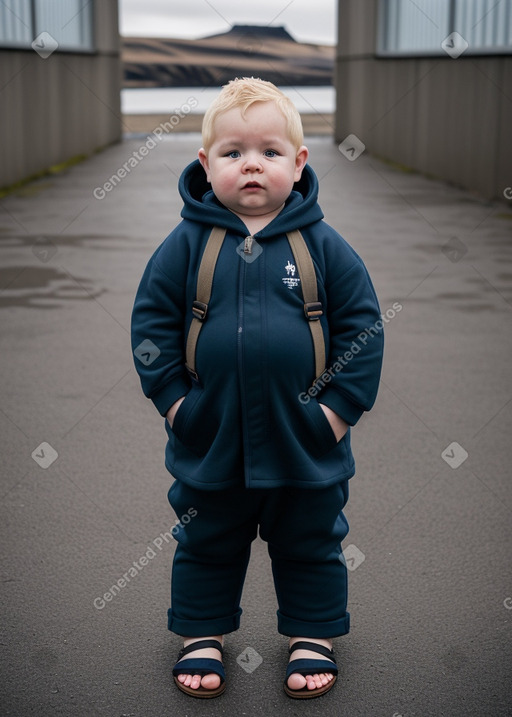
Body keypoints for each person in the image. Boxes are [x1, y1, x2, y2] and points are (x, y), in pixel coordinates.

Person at [131, 77, 383, 699]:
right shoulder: (186, 244)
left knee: (311, 539)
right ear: (206, 164)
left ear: (299, 164)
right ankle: (201, 632)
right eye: (234, 152)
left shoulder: (323, 245)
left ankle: (313, 633)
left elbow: (364, 328)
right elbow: (150, 326)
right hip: (211, 436)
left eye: (270, 152)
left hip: (306, 440)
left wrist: (339, 412)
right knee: (207, 538)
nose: (252, 164)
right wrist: (175, 406)